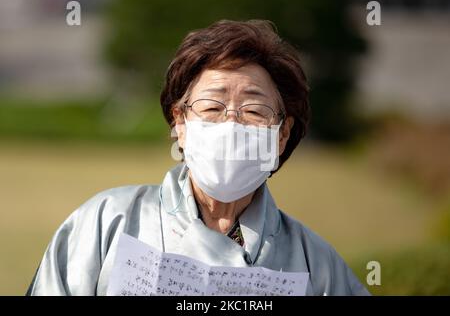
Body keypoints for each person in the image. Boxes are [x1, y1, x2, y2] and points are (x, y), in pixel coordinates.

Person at [27, 19, 370, 296]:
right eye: (211, 107)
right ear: (181, 122)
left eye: (253, 109)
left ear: (281, 134)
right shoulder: (107, 222)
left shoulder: (316, 263)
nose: (231, 122)